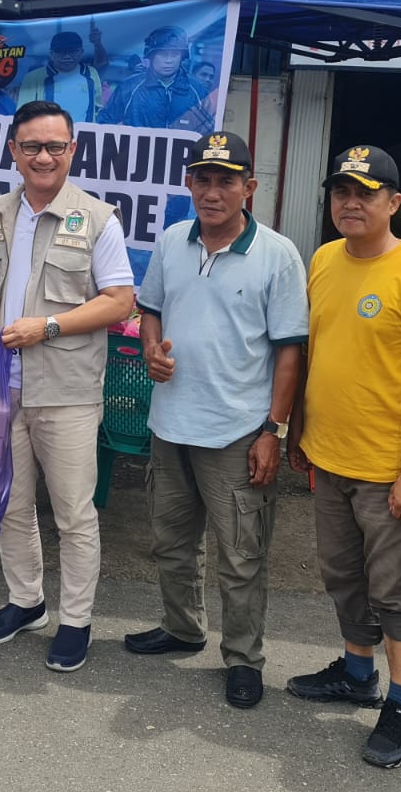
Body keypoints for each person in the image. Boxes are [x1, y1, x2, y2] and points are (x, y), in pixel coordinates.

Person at [0, 100, 135, 673]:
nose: (43, 156)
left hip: (65, 390)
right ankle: (26, 601)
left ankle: (76, 621)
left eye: (55, 147)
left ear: (72, 152)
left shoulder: (98, 219)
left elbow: (119, 301)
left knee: (73, 513)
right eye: (32, 146)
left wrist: (49, 325)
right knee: (9, 504)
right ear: (13, 150)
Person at [123, 131, 308, 709]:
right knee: (172, 542)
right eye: (202, 178)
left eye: (226, 180)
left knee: (240, 555)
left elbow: (289, 351)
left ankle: (243, 658)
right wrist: (152, 349)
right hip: (170, 423)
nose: (212, 191)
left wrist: (272, 432)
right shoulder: (173, 240)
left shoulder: (277, 254)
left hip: (237, 432)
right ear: (188, 184)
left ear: (249, 187)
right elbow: (150, 310)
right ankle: (181, 627)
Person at [284, 143, 401, 768]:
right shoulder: (324, 259)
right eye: (341, 192)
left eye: (367, 192)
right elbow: (314, 352)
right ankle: (358, 673)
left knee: (393, 590)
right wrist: (300, 431)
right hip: (327, 456)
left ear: (395, 202)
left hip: (388, 470)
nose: (351, 203)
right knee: (340, 573)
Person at [97, 25, 214, 133]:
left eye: (174, 55)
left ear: (182, 57)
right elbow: (104, 124)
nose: (169, 60)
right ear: (151, 56)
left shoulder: (197, 90)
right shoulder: (129, 87)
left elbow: (208, 132)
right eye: (163, 54)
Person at [16, 31, 104, 122]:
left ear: (81, 53)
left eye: (73, 51)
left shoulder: (91, 73)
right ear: (52, 54)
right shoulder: (33, 77)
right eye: (61, 51)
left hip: (83, 135)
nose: (67, 56)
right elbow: (23, 114)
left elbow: (98, 107)